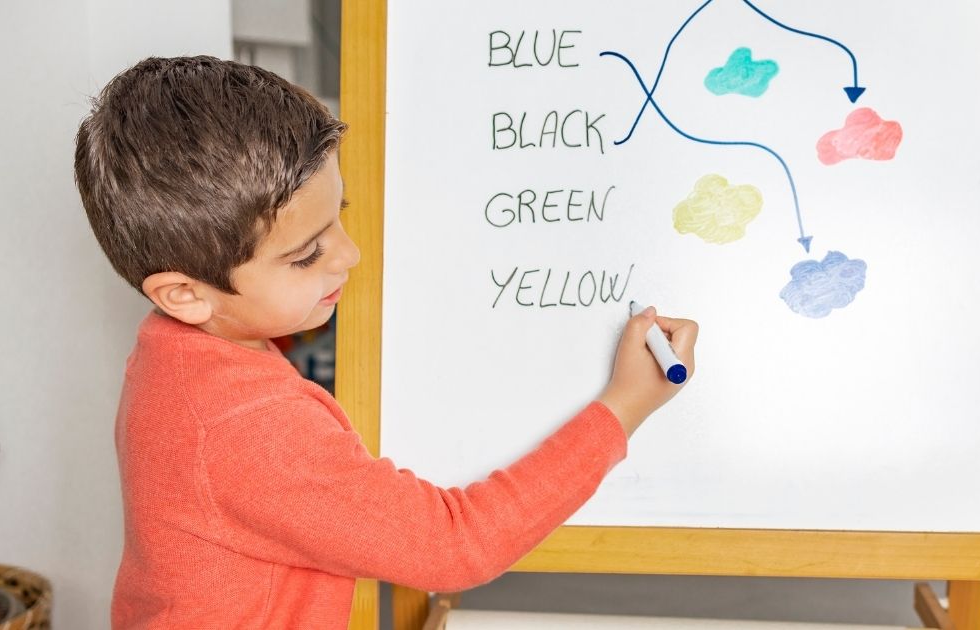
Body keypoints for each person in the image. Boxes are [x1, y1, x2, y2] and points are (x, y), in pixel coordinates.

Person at [73, 56, 698, 629]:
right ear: (184, 293)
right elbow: (457, 546)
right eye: (306, 254)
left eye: (338, 214)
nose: (351, 253)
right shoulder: (249, 428)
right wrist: (623, 407)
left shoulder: (173, 353)